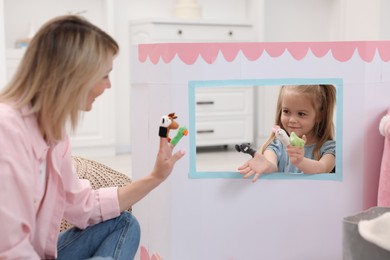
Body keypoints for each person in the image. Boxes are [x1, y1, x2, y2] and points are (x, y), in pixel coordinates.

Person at [0, 15, 185, 259]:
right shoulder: (7, 132)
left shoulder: (55, 137)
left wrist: (156, 177)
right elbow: (12, 250)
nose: (108, 86)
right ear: (74, 75)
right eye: (104, 75)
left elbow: (83, 206)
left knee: (123, 224)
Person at [238, 84, 336, 182]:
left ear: (319, 116)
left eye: (301, 114)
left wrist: (300, 161)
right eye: (286, 111)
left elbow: (322, 168)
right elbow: (272, 167)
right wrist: (266, 166)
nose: (292, 120)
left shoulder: (329, 148)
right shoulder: (276, 146)